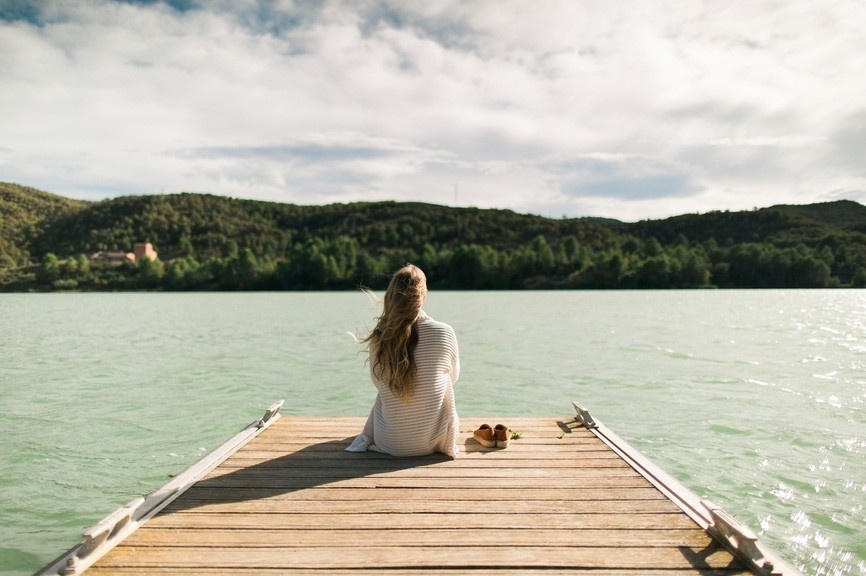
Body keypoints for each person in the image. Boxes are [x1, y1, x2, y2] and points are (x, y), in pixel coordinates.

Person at [346, 264, 461, 457]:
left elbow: (378, 383)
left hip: (388, 442)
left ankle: (401, 431)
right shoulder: (444, 332)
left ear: (391, 296)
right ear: (423, 295)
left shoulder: (380, 336)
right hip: (432, 441)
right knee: (445, 382)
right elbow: (454, 378)